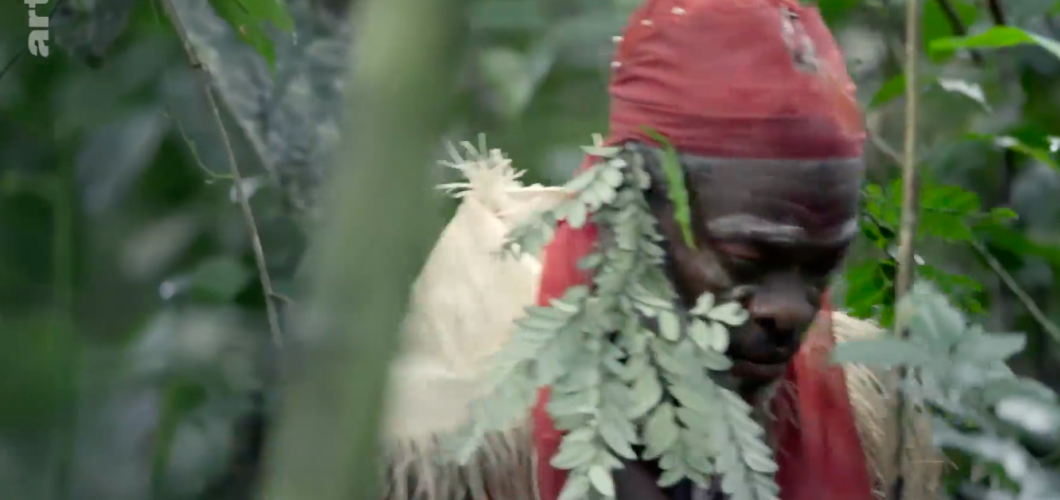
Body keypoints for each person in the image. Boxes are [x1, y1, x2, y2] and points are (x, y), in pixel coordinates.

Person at [383, 1, 941, 499]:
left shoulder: (868, 414)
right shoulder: (460, 431)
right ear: (636, 211)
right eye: (748, 261)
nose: (791, 311)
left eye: (819, 268)